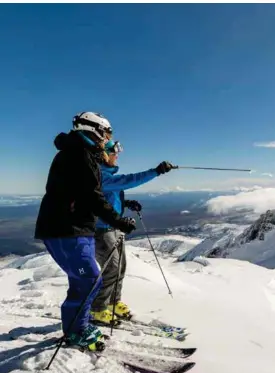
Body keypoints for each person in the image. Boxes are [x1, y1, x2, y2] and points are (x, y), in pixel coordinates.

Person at [34, 112, 137, 351]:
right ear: (96, 130)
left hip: (76, 228)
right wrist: (118, 221)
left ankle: (78, 325)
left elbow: (90, 194)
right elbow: (91, 196)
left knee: (85, 279)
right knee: (89, 278)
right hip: (66, 228)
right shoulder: (79, 154)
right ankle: (76, 331)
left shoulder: (81, 153)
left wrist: (118, 215)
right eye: (107, 133)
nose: (108, 139)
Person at [90, 139, 174, 325]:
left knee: (120, 267)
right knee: (111, 269)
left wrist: (126, 204)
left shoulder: (106, 174)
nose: (117, 154)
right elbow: (129, 180)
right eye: (114, 151)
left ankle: (113, 302)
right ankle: (98, 309)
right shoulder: (101, 174)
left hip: (114, 227)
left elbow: (108, 198)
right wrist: (156, 171)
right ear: (104, 154)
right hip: (102, 231)